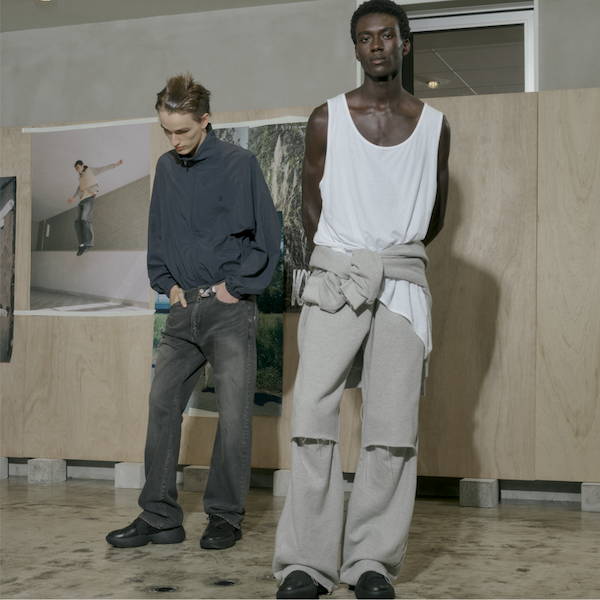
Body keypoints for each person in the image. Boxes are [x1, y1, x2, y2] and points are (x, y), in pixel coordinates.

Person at [273, 1, 451, 598]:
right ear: (355, 48)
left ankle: (371, 562)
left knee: (392, 426)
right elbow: (310, 201)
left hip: (401, 285)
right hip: (337, 279)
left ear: (405, 44)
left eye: (387, 36)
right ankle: (306, 563)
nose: (377, 45)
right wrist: (346, 255)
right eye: (366, 37)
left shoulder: (435, 125)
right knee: (311, 415)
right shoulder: (326, 117)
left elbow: (435, 214)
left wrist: (387, 256)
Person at [106, 74, 281, 550]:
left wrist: (235, 288)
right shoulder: (166, 167)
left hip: (229, 310)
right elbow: (158, 232)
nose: (175, 140)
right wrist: (167, 285)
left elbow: (268, 237)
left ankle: (224, 515)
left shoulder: (241, 164)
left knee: (235, 414)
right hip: (183, 309)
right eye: (167, 131)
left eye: (182, 130)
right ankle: (160, 516)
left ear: (206, 120)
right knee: (162, 405)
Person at [67, 159, 123, 255]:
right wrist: (72, 198)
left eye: (79, 168)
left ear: (82, 165)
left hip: (89, 198)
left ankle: (89, 243)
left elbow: (102, 169)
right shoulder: (80, 178)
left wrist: (116, 165)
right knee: (77, 222)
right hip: (81, 200)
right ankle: (81, 245)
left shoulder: (90, 170)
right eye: (76, 170)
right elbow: (79, 189)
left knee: (85, 218)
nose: (78, 170)